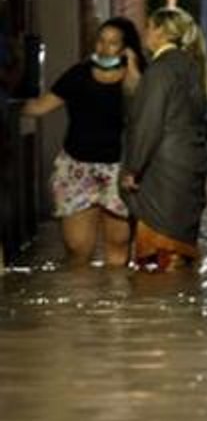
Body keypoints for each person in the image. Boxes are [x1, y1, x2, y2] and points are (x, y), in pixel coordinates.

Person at [21, 17, 145, 267]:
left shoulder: (136, 79)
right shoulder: (77, 75)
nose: (103, 48)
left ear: (125, 48)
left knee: (118, 246)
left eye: (112, 43)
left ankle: (118, 305)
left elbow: (146, 113)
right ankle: (81, 302)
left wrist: (133, 70)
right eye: (100, 41)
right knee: (77, 249)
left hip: (118, 170)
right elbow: (39, 107)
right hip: (77, 168)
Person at [120, 6, 207, 271]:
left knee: (159, 257)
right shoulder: (192, 67)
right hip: (190, 166)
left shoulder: (160, 70)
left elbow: (148, 125)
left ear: (160, 31)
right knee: (180, 253)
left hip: (162, 173)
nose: (146, 34)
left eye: (149, 27)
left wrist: (132, 168)